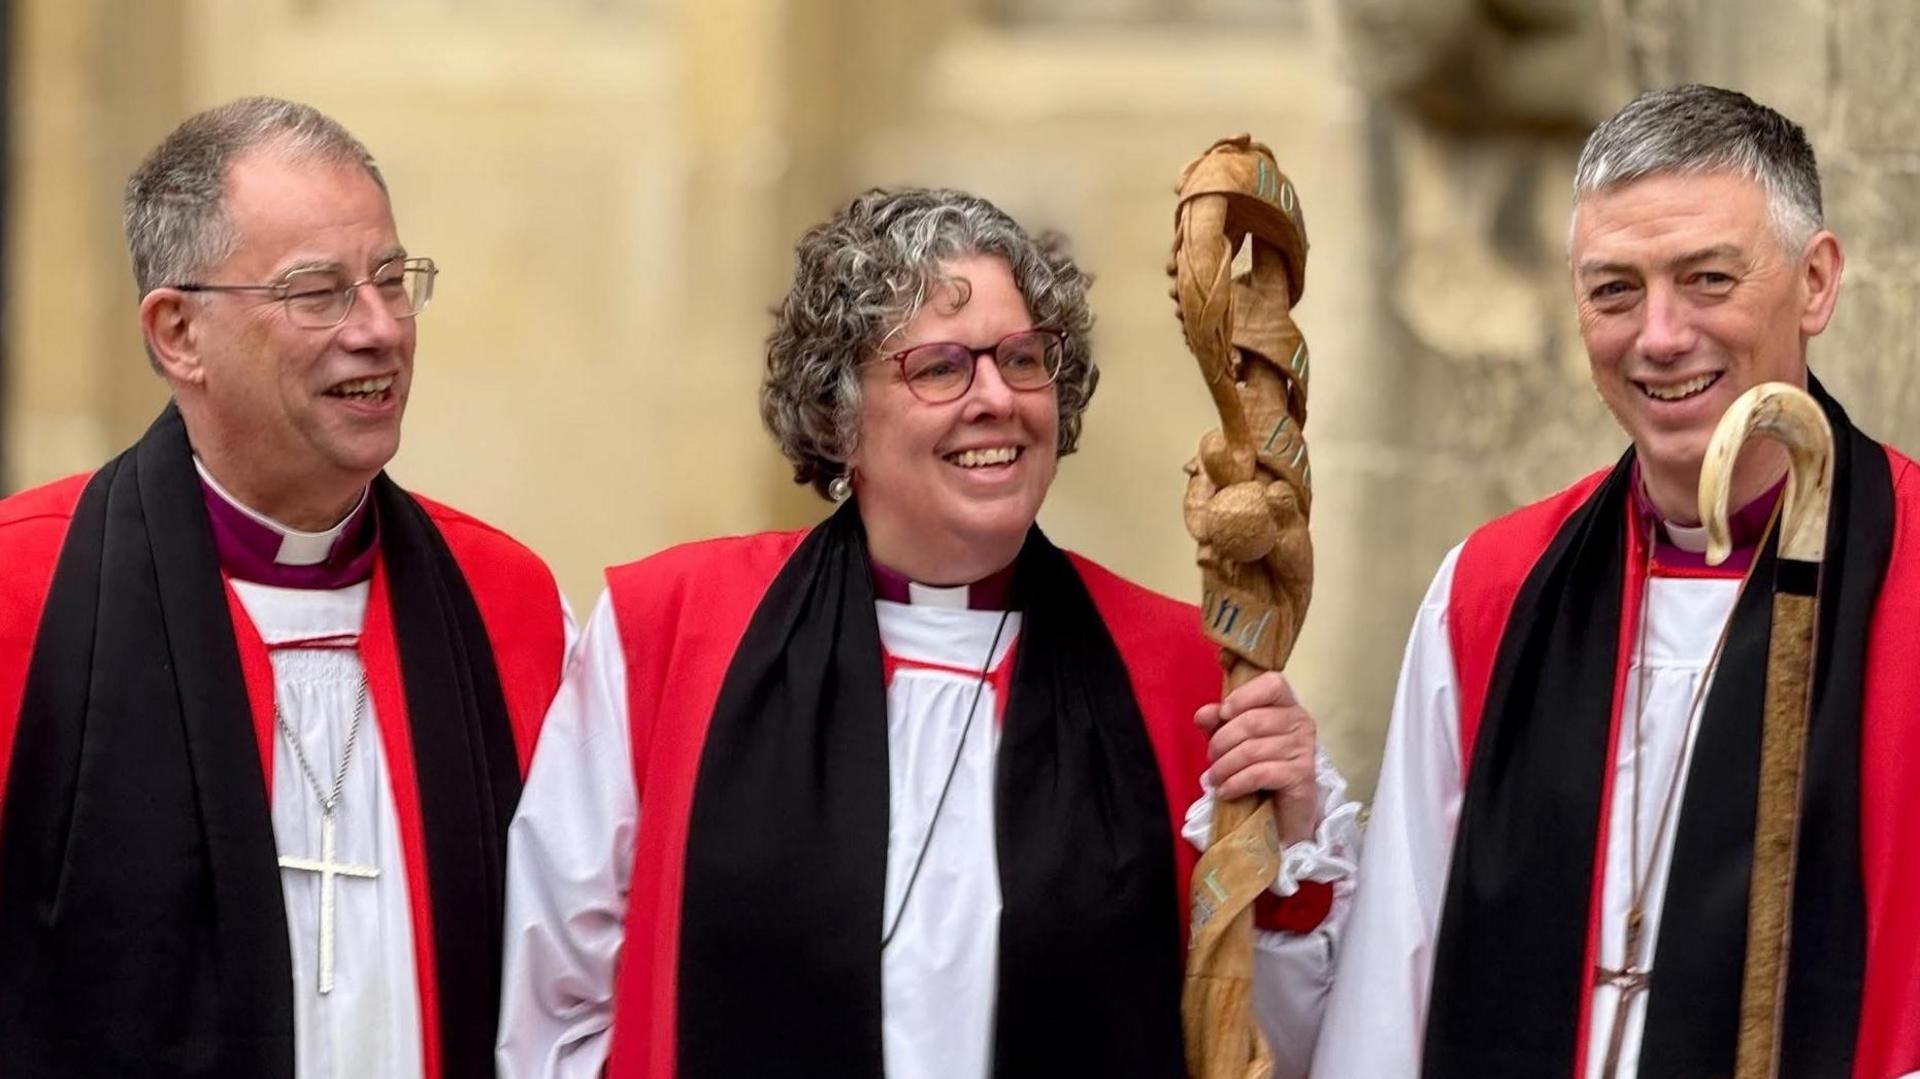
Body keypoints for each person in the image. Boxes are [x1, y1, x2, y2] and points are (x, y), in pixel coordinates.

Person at [496, 187, 1361, 1078]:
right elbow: (555, 1002)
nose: (996, 397)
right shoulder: (673, 634)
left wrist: (1286, 846)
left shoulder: (1186, 678)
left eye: (1024, 359)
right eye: (943, 368)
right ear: (841, 417)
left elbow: (1279, 1053)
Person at [1312, 84, 1920, 1079]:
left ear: (1816, 282)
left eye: (1708, 278)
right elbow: (1395, 978)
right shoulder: (1491, 590)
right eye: (1614, 290)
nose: (1661, 335)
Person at [0, 97, 572, 1078]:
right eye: (319, 292)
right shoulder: (25, 590)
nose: (382, 329)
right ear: (178, 331)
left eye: (394, 279)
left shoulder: (505, 598)